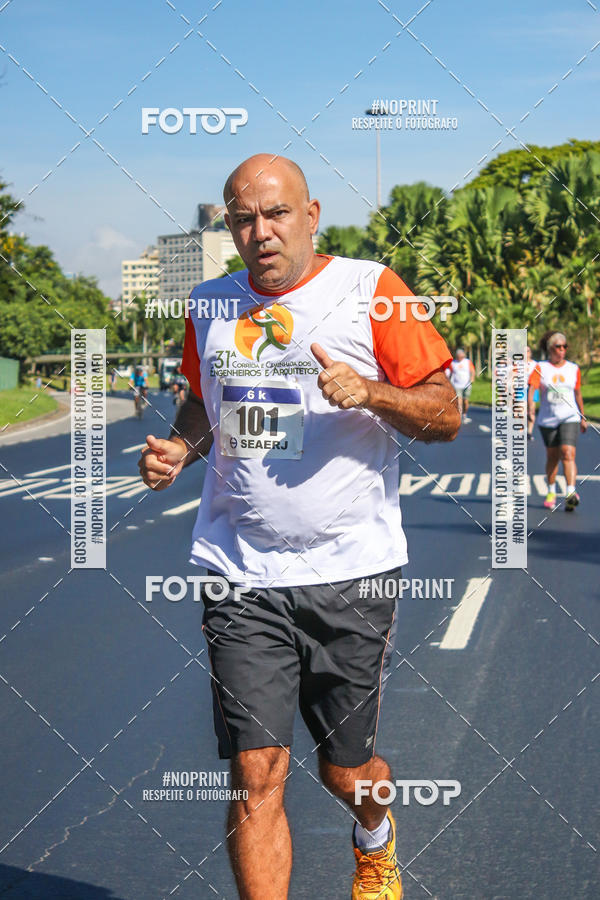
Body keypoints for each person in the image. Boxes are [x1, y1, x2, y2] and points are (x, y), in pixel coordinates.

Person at [138, 154, 460, 900]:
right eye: (244, 219)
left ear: (312, 215)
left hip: (352, 571)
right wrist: (181, 449)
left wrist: (371, 392)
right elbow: (205, 401)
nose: (263, 233)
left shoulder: (373, 291)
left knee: (347, 772)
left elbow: (446, 413)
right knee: (257, 773)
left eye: (277, 214)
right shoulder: (210, 304)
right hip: (240, 571)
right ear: (229, 226)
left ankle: (373, 837)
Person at [528, 332, 587, 511]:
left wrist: (583, 417)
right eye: (558, 347)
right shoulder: (541, 367)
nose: (562, 350)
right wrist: (531, 407)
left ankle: (570, 492)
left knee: (567, 453)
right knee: (552, 457)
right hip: (547, 419)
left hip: (570, 417)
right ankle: (552, 490)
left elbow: (577, 393)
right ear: (550, 349)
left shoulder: (573, 368)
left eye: (564, 347)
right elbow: (533, 388)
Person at [446, 348, 476, 423]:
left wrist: (472, 378)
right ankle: (459, 417)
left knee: (465, 401)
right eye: (459, 356)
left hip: (467, 385)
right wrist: (448, 382)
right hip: (457, 385)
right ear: (457, 356)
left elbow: (472, 371)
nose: (460, 357)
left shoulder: (467, 362)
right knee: (459, 401)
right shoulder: (453, 363)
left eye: (462, 356)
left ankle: (464, 414)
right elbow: (450, 373)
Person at [526, 346, 538, 440]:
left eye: (528, 351)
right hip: (521, 389)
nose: (526, 353)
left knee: (531, 411)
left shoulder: (535, 364)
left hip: (533, 389)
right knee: (521, 411)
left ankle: (529, 432)